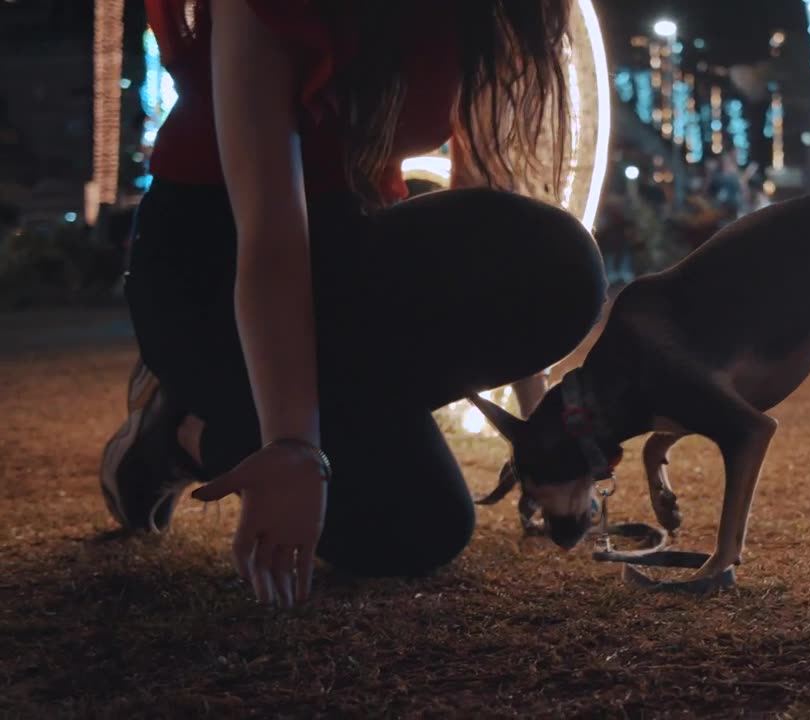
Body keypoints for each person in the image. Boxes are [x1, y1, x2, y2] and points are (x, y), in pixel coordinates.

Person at [99, 0, 607, 608]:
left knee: (558, 266)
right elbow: (271, 234)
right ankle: (179, 430)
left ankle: (264, 420)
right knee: (401, 527)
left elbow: (484, 228)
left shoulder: (487, 14)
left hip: (347, 240)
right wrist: (293, 446)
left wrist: (540, 424)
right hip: (212, 263)